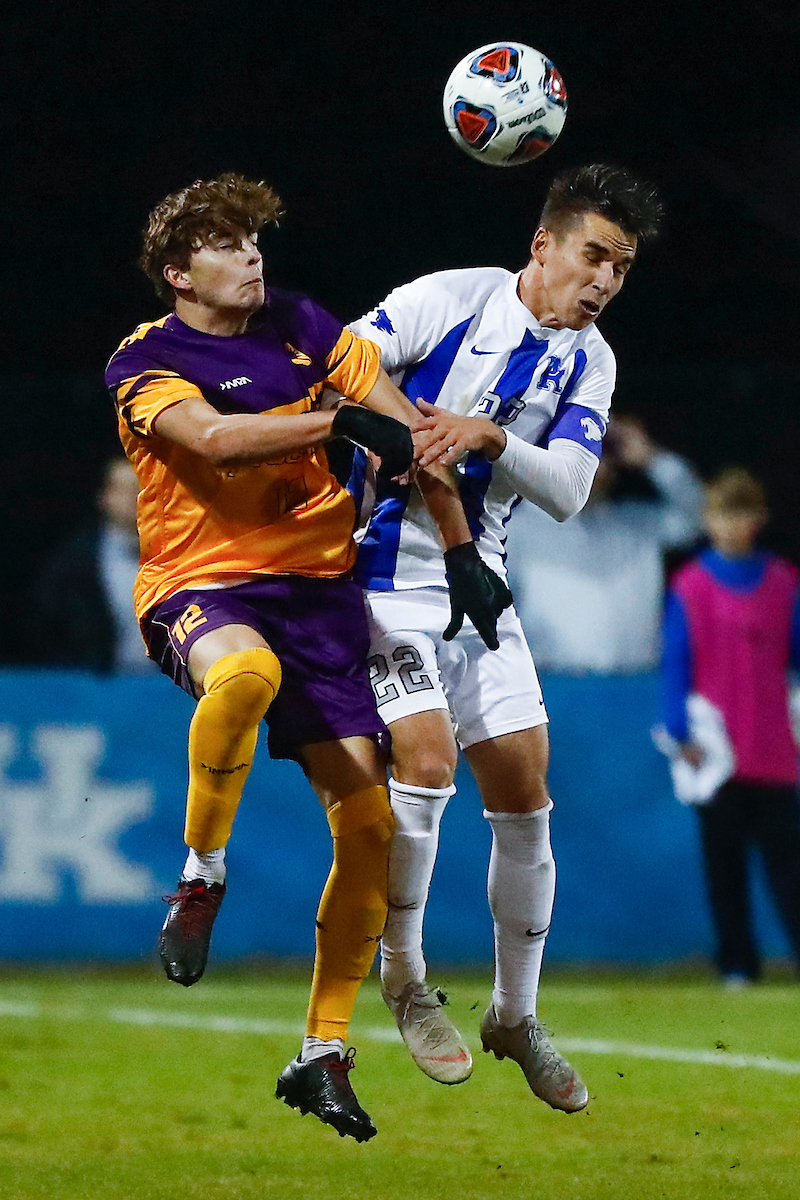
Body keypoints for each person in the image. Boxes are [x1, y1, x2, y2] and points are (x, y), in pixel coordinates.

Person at [104, 172, 501, 1143]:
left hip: (321, 596)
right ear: (175, 270)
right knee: (245, 676)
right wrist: (333, 422)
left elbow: (404, 426)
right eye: (228, 245)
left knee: (369, 824)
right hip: (207, 588)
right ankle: (202, 875)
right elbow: (217, 441)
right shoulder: (143, 359)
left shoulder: (305, 323)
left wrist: (458, 548)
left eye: (254, 241)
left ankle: (320, 1052)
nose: (251, 256)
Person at [348, 163, 664, 1112]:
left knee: (526, 793)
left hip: (479, 588)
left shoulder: (593, 360)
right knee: (428, 765)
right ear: (545, 245)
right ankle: (403, 978)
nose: (605, 280)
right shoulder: (452, 299)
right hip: (381, 579)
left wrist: (489, 439)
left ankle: (513, 1015)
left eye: (623, 266)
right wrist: (417, 435)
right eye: (594, 255)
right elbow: (348, 367)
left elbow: (566, 492)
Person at [661, 467, 800, 986]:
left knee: (789, 866)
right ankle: (737, 964)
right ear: (709, 520)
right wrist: (678, 729)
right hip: (716, 754)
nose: (733, 525)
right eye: (724, 514)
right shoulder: (692, 586)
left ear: (759, 519)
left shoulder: (784, 582)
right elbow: (676, 661)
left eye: (743, 514)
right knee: (725, 867)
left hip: (773, 751)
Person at [504, 413, 704, 673]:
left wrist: (653, 459)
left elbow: (700, 518)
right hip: (554, 685)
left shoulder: (638, 524)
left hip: (636, 684)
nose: (590, 464)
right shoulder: (517, 527)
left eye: (600, 452)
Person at [30, 456, 156, 674]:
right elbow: (47, 628)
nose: (133, 498)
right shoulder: (75, 563)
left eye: (141, 488)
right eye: (124, 489)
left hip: (172, 695)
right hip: (94, 694)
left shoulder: (187, 555)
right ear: (103, 497)